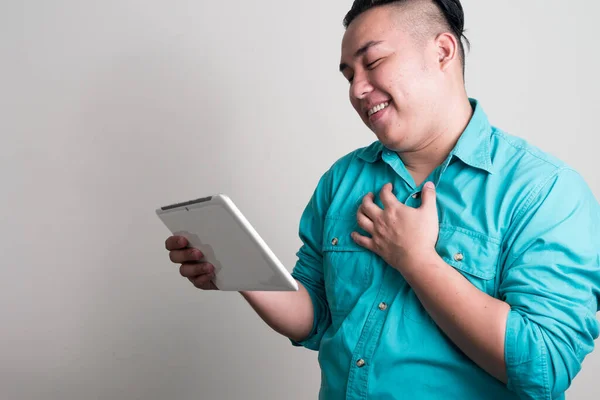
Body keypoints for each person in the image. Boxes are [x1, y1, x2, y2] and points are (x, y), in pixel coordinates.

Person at [165, 0, 600, 398]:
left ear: (443, 52)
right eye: (349, 74)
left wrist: (418, 261)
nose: (356, 89)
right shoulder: (342, 179)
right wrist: (238, 270)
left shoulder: (545, 191)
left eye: (372, 62)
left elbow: (544, 367)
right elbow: (314, 315)